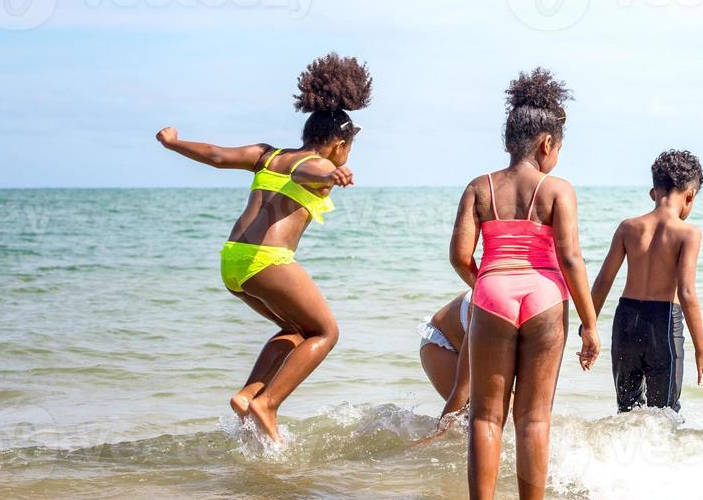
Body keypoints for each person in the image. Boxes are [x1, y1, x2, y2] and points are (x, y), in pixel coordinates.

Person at [156, 52, 371, 442]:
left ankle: (248, 394)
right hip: (267, 261)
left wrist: (174, 143)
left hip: (232, 262)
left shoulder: (267, 154)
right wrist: (332, 172)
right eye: (348, 149)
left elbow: (218, 156)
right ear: (339, 144)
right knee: (325, 332)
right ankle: (267, 404)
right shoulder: (319, 166)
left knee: (294, 328)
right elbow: (307, 169)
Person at [448, 68, 600, 500]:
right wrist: (589, 325)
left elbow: (459, 255)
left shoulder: (479, 187)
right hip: (546, 298)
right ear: (546, 144)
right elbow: (571, 258)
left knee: (486, 416)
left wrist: (488, 284)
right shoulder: (557, 190)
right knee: (534, 419)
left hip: (492, 291)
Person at [587, 149, 703, 422]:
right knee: (665, 416)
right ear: (690, 195)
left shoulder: (628, 228)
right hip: (663, 324)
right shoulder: (688, 233)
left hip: (625, 322)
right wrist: (702, 351)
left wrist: (588, 327)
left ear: (653, 192)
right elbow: (687, 292)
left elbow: (603, 281)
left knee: (626, 412)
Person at [415, 290, 473, 440]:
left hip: (471, 342)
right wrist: (436, 437)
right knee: (473, 419)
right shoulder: (486, 307)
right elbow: (462, 387)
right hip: (441, 344)